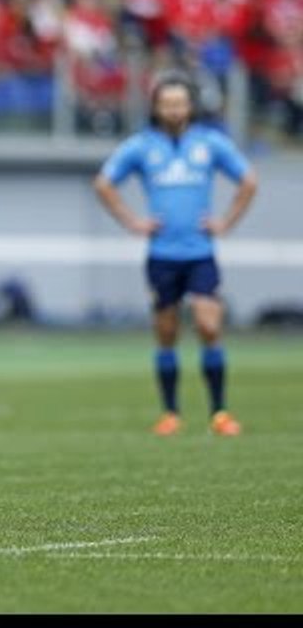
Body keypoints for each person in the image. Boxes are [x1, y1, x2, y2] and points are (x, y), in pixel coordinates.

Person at [93, 69, 258, 437]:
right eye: (167, 103)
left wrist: (226, 221)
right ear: (155, 107)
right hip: (162, 255)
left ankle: (219, 412)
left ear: (190, 106)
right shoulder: (141, 146)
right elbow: (103, 183)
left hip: (200, 252)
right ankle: (171, 413)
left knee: (207, 324)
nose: (173, 109)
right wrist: (132, 221)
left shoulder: (210, 143)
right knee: (166, 333)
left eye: (179, 102)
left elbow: (248, 180)